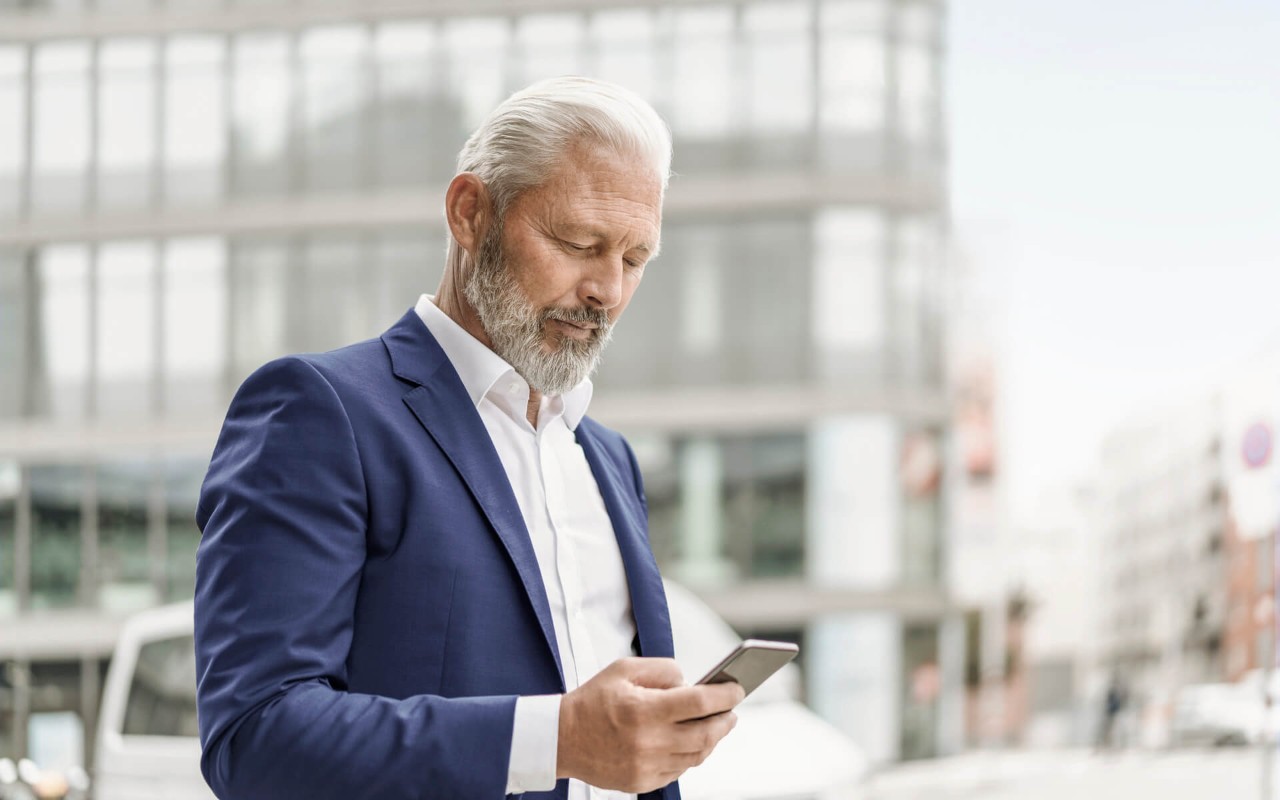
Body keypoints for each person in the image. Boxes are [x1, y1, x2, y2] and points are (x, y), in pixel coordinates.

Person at [193, 77, 744, 800]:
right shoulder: (320, 412)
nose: (607, 290)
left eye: (636, 260)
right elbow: (256, 737)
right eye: (579, 243)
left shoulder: (607, 457)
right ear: (470, 213)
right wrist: (559, 739)